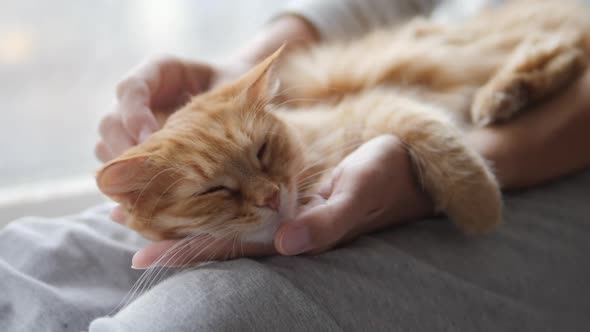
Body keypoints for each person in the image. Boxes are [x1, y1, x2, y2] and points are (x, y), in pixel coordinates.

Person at [1, 1, 589, 331]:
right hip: (471, 45)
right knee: (23, 260)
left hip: (558, 160)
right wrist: (242, 65)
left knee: (212, 319)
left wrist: (444, 168)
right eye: (222, 191)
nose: (264, 196)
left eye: (262, 160)